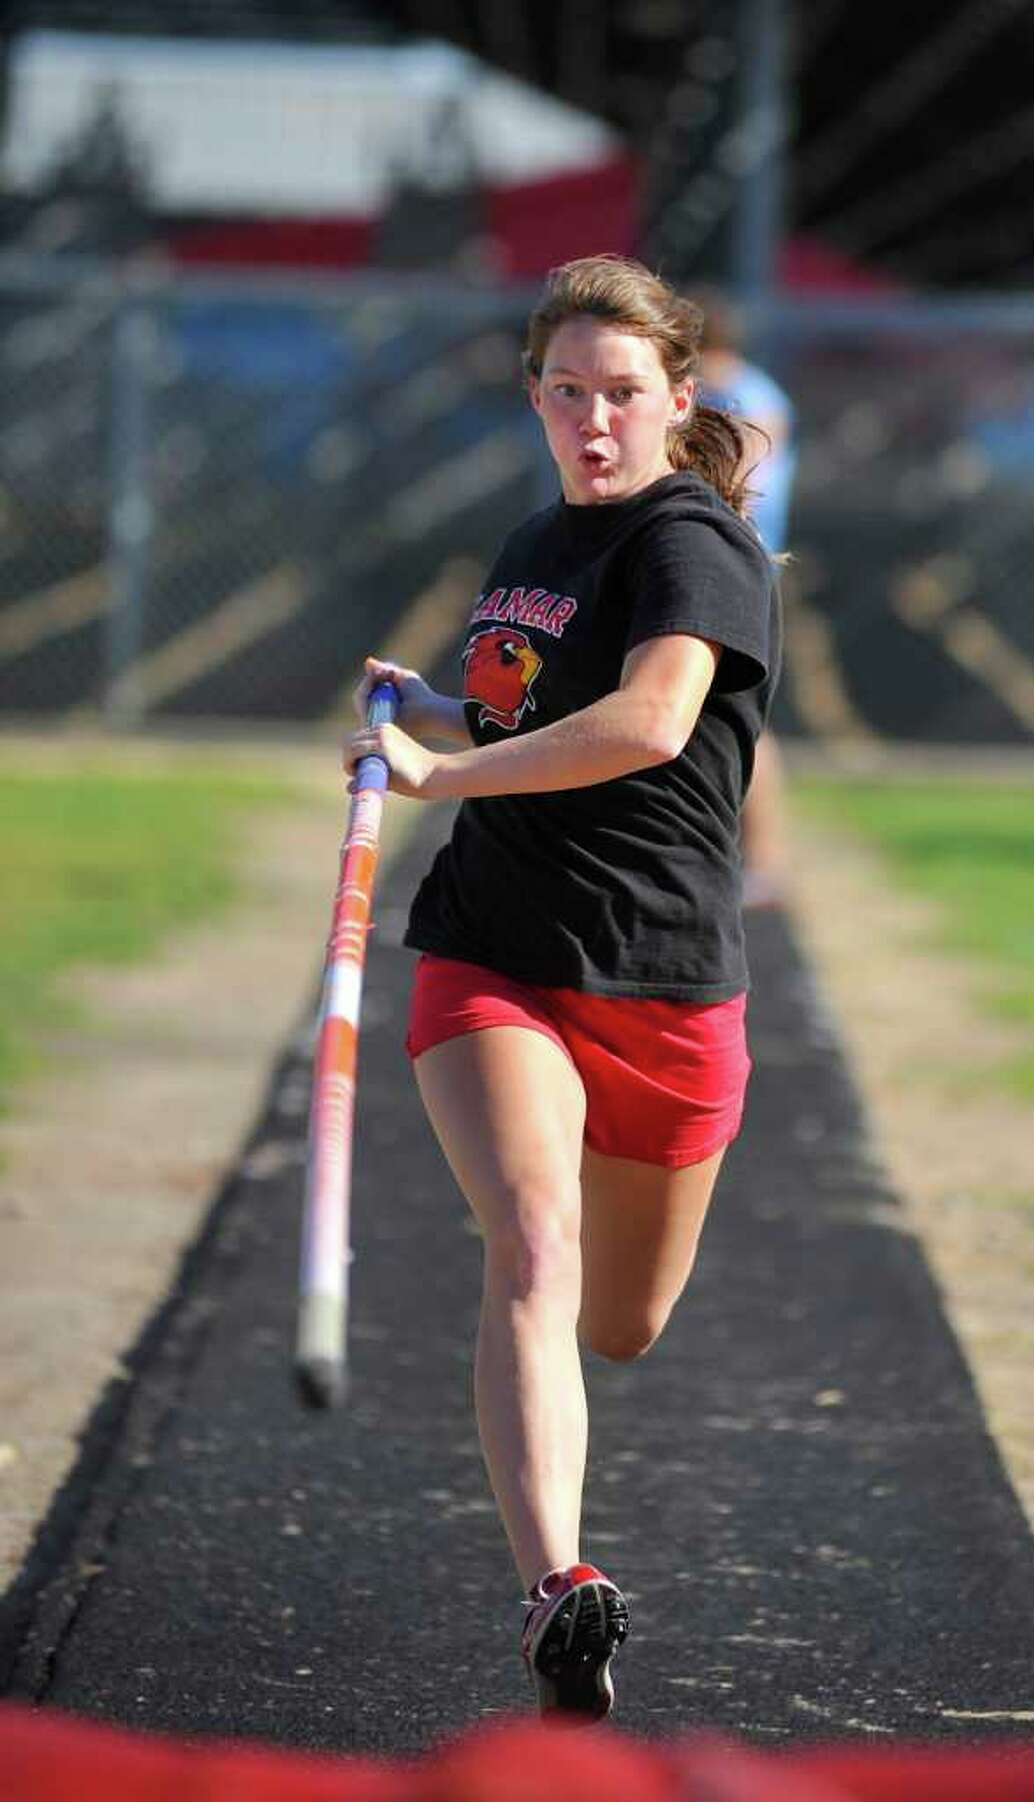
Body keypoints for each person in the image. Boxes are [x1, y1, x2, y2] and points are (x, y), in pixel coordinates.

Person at [342, 255, 780, 1722]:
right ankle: (557, 1588)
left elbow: (649, 721)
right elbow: (523, 706)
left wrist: (439, 772)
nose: (595, 420)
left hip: (664, 980)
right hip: (495, 948)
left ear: (678, 398)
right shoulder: (535, 541)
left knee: (622, 1320)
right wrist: (428, 707)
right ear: (534, 394)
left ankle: (559, 1557)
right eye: (568, 391)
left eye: (623, 393)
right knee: (532, 1240)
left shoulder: (694, 544)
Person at [695, 289, 797, 908]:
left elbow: (741, 483)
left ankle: (765, 860)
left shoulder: (749, 399)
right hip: (723, 568)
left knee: (744, 722)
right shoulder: (734, 394)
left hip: (737, 573)